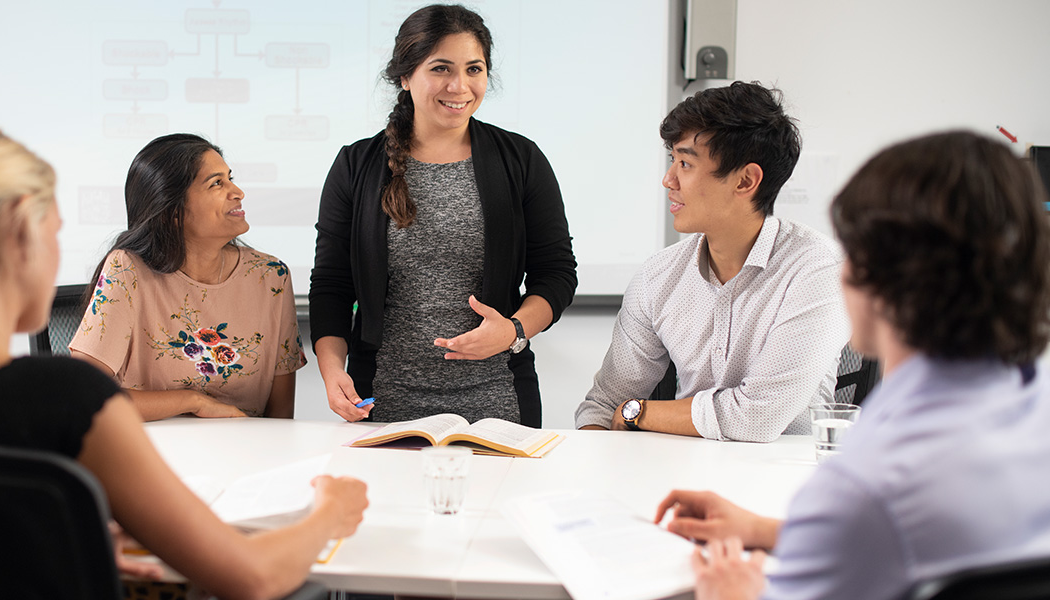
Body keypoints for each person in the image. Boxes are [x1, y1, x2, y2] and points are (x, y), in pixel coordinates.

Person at [0, 126, 368, 600]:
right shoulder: (65, 398)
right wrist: (328, 514)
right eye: (54, 231)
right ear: (19, 234)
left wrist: (66, 536)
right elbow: (252, 577)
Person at [655, 131, 1050, 600]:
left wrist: (732, 592)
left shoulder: (867, 486)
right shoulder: (1032, 398)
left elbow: (875, 518)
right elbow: (918, 537)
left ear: (881, 278)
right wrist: (766, 529)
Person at [310, 4, 577, 427]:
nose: (460, 85)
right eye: (441, 69)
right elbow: (331, 284)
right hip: (382, 401)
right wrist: (331, 372)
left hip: (500, 401)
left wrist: (514, 330)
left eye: (474, 69)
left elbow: (557, 273)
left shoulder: (520, 159)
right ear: (404, 75)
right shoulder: (356, 165)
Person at [575, 81, 848, 442]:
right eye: (672, 160)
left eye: (685, 163)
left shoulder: (819, 270)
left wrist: (638, 412)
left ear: (746, 180)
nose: (668, 179)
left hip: (783, 482)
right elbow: (603, 405)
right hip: (677, 476)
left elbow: (757, 416)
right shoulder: (659, 276)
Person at [70, 133, 306, 422]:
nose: (238, 192)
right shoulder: (127, 271)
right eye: (217, 183)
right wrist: (194, 402)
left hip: (245, 458)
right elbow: (81, 394)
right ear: (172, 211)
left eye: (230, 178)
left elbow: (280, 418)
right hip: (150, 455)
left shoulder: (271, 278)